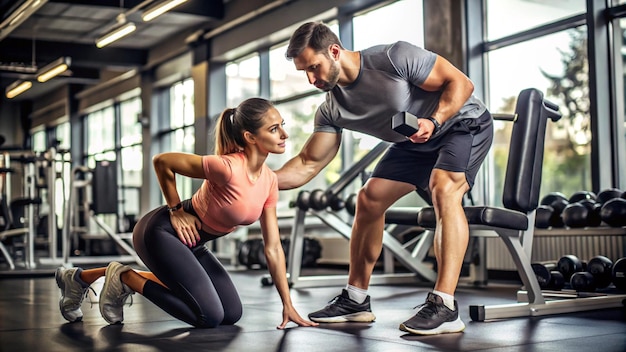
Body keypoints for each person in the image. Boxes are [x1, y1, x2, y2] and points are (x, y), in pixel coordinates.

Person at [275, 22, 493, 335]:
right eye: (304, 72)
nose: (311, 79)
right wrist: (258, 180)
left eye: (314, 67)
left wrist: (434, 120)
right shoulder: (331, 109)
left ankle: (444, 305)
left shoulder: (393, 58)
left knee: (444, 189)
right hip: (413, 142)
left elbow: (461, 83)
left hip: (461, 123)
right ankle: (356, 300)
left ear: (334, 51)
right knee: (369, 198)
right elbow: (309, 163)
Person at [55, 98, 318, 330]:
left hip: (194, 243)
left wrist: (288, 304)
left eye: (282, 125)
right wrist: (176, 209)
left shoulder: (269, 181)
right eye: (274, 129)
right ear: (250, 137)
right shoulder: (226, 167)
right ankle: (125, 277)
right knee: (209, 315)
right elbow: (162, 161)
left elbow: (273, 248)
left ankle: (79, 278)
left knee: (231, 314)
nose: (284, 134)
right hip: (161, 232)